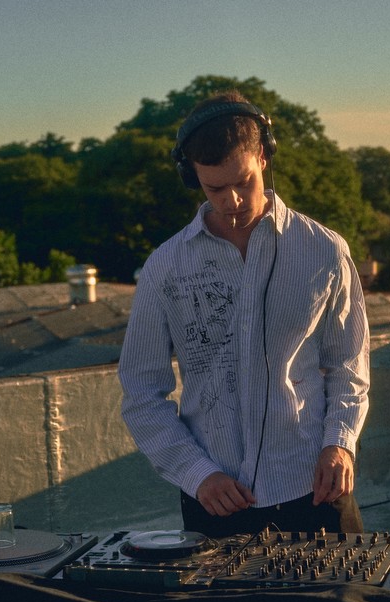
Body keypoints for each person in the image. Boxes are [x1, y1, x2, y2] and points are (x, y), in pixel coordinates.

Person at [118, 91, 370, 537]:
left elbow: (349, 366)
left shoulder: (325, 250)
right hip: (215, 499)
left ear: (264, 157)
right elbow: (141, 391)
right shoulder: (165, 267)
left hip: (316, 490)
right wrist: (197, 473)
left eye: (243, 181)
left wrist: (340, 444)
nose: (232, 200)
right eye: (215, 189)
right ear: (193, 177)